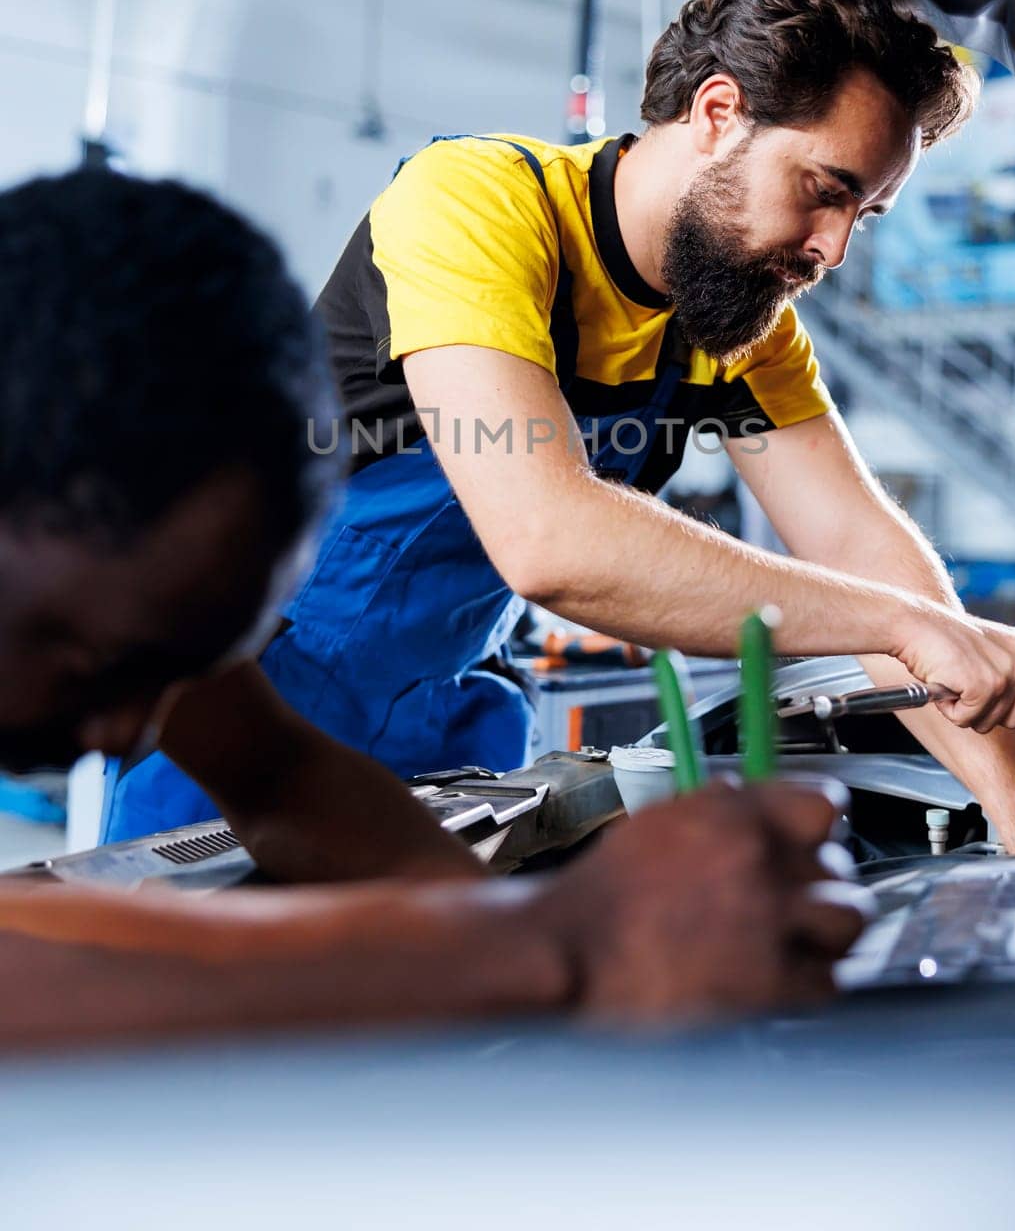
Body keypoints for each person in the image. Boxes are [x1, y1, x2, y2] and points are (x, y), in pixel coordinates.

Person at [106, 0, 1015, 853]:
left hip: (452, 728)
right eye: (824, 187)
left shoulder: (732, 326)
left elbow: (863, 548)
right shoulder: (479, 203)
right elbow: (548, 539)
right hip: (242, 718)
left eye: (865, 212)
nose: (832, 248)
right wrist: (908, 627)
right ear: (720, 111)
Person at [0, 166, 862, 1048]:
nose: (123, 732)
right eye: (90, 660)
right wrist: (550, 942)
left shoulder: (143, 611)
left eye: (173, 670)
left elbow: (288, 785)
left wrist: (556, 940)